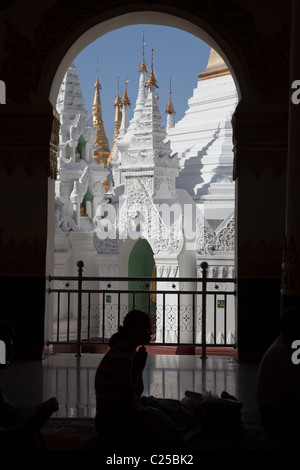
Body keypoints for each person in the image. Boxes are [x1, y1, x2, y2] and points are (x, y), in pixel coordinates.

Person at [94, 310, 200, 450]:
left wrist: (139, 367)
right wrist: (139, 368)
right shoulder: (122, 354)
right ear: (135, 330)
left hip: (120, 411)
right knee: (159, 419)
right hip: (113, 420)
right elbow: (126, 396)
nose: (150, 333)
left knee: (160, 404)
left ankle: (189, 420)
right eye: (147, 329)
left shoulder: (129, 351)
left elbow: (136, 394)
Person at [256, 307, 300, 447]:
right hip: (277, 417)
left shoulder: (282, 347)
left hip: (272, 414)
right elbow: (296, 387)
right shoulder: (286, 352)